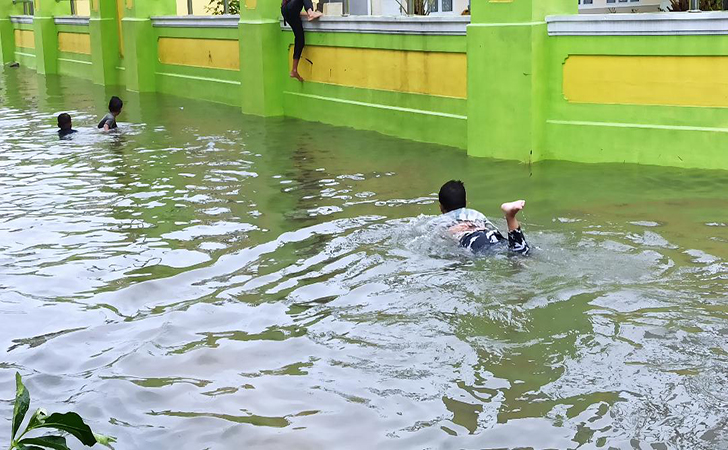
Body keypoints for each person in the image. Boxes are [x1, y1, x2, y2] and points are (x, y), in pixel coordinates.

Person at [438, 180, 530, 255]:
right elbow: (491, 227)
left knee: (512, 256)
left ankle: (510, 216)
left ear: (440, 207)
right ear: (466, 202)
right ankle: (511, 217)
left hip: (472, 241)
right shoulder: (476, 214)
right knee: (519, 252)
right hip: (491, 235)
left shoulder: (442, 221)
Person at [281, 0, 322, 82]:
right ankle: (311, 13)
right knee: (299, 39)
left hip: (286, 11)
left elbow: (294, 6)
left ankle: (294, 70)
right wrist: (311, 12)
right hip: (289, 9)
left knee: (300, 40)